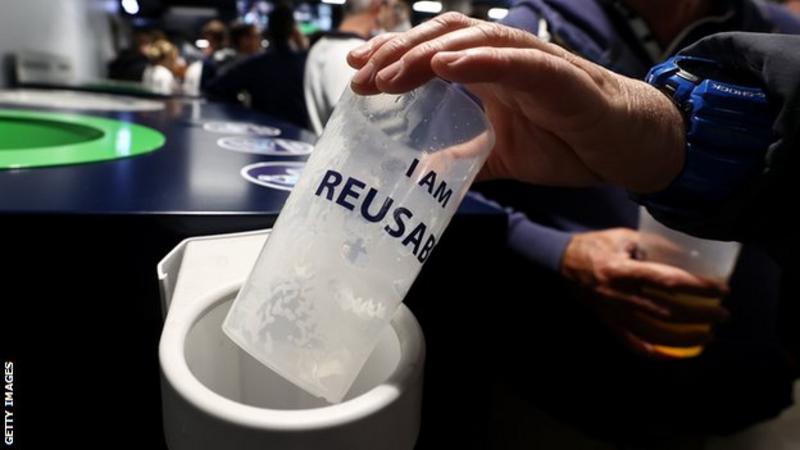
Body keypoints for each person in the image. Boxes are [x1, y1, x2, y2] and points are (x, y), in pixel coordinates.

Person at [348, 14, 800, 445]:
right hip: (568, 389)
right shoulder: (524, 31)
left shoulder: (781, 33)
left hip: (737, 391)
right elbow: (423, 181)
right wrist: (559, 252)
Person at [303, 0, 401, 135]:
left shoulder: (320, 45)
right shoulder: (355, 52)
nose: (395, 14)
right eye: (393, 7)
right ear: (378, 6)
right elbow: (354, 122)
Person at [206, 4, 310, 129]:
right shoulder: (305, 61)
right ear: (293, 30)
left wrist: (243, 111)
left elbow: (214, 88)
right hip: (302, 138)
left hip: (264, 133)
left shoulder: (256, 64)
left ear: (268, 30)